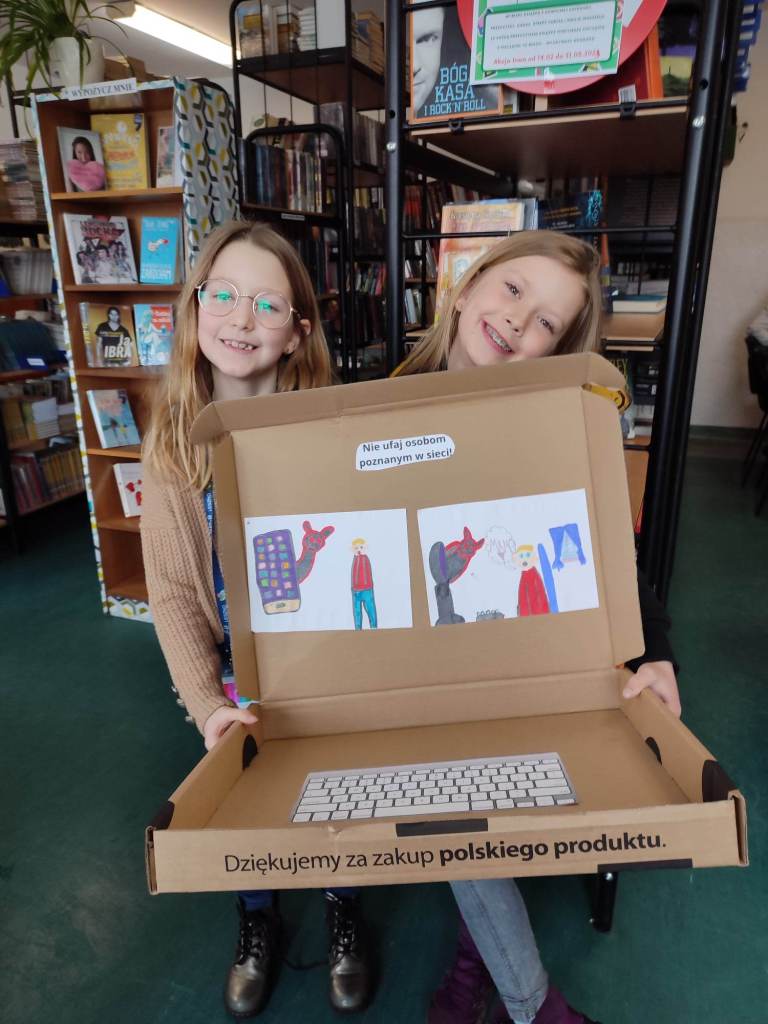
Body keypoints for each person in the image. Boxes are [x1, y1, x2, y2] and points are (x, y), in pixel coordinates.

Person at [394, 230, 681, 1024]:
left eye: (549, 322)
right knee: (450, 769)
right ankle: (523, 996)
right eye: (514, 290)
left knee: (470, 774)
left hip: (519, 665)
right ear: (469, 284)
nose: (520, 322)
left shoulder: (557, 428)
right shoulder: (372, 408)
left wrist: (655, 653)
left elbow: (612, 556)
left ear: (556, 349)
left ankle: (487, 974)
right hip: (410, 677)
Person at [140, 220, 374, 1019]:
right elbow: (174, 593)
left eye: (268, 305)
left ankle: (344, 903)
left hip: (327, 664)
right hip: (234, 673)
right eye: (224, 295)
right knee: (249, 800)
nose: (241, 319)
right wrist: (209, 706)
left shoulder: (329, 430)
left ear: (298, 332)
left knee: (337, 794)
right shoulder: (171, 445)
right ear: (195, 305)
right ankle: (257, 916)